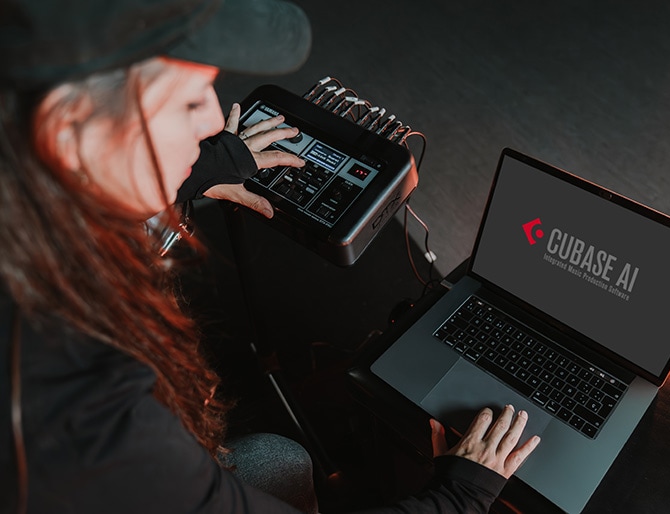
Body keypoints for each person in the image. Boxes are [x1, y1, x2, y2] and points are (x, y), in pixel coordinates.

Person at [0, 1, 541, 513]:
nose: (213, 120)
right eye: (186, 102)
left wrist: (199, 169)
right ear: (67, 133)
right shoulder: (87, 414)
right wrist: (460, 496)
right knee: (282, 462)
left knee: (273, 458)